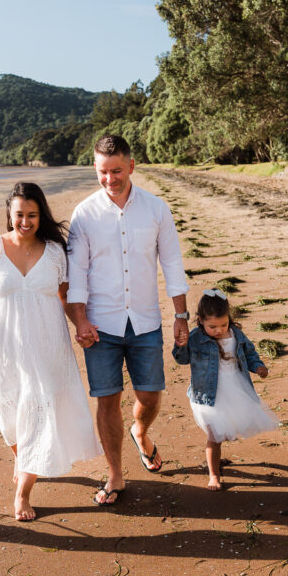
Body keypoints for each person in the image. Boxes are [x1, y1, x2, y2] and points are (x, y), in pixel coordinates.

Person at [0, 182, 101, 521]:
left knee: (37, 409)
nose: (26, 221)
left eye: (32, 215)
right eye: (19, 214)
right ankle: (24, 459)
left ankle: (23, 493)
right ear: (9, 214)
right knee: (9, 414)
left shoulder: (54, 252)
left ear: (40, 215)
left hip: (47, 344)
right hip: (4, 348)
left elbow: (65, 298)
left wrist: (81, 325)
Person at [66, 134, 190, 506]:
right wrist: (80, 321)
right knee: (107, 401)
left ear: (131, 166)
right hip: (100, 327)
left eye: (116, 171)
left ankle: (140, 430)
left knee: (150, 396)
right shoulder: (84, 214)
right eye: (103, 172)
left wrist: (180, 315)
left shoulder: (156, 209)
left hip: (146, 321)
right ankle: (116, 475)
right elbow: (77, 274)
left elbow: (172, 265)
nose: (110, 179)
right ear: (95, 169)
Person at [172, 289, 277, 490]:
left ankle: (216, 464)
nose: (219, 330)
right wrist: (181, 344)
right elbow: (182, 359)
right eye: (212, 326)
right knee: (215, 437)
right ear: (200, 320)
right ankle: (214, 474)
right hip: (207, 396)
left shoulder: (236, 334)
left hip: (235, 387)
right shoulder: (195, 337)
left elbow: (250, 353)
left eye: (223, 324)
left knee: (227, 431)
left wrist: (258, 367)